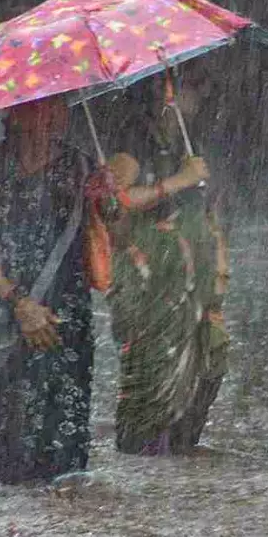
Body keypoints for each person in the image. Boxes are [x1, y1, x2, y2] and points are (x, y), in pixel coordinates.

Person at [0, 96, 95, 490]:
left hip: (63, 319)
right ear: (13, 114)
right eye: (41, 107)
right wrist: (18, 302)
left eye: (59, 106)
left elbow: (107, 247)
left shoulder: (82, 167)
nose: (52, 117)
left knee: (61, 452)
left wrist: (109, 200)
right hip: (0, 315)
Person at [102, 78, 230, 456]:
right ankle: (145, 457)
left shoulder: (191, 144)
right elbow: (118, 203)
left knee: (211, 361)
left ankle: (182, 454)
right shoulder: (133, 142)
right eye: (187, 85)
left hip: (196, 280)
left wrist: (221, 262)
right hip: (153, 284)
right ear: (162, 95)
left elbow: (209, 211)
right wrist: (177, 181)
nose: (197, 94)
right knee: (156, 375)